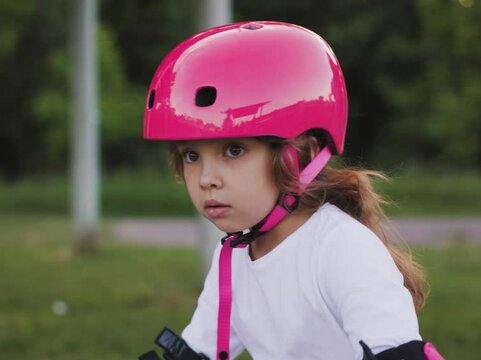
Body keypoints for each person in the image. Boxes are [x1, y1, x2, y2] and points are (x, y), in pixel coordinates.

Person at [140, 22, 445, 360]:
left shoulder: (341, 249)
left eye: (234, 150)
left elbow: (397, 351)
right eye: (191, 156)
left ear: (305, 154)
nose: (206, 179)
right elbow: (196, 352)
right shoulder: (234, 256)